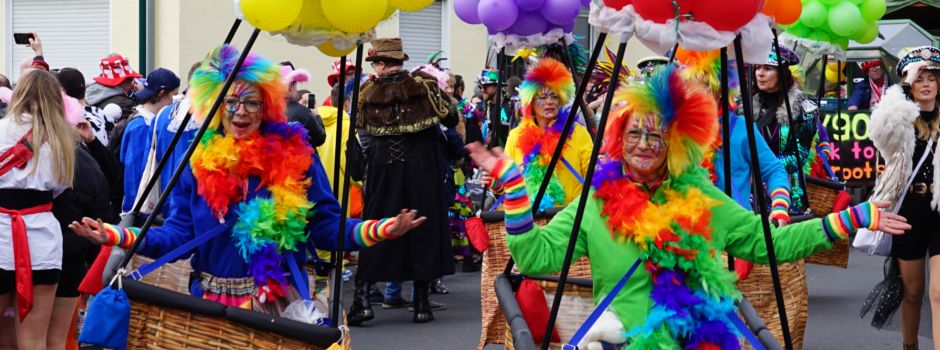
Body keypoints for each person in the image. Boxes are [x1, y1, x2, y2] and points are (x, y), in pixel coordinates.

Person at [466, 66, 910, 349]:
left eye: (655, 136)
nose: (643, 145)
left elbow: (766, 244)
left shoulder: (702, 200)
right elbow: (536, 256)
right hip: (617, 340)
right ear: (619, 139)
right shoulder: (596, 202)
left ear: (673, 146)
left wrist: (850, 218)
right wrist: (516, 195)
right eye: (634, 134)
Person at [70, 45, 425, 318]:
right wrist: (115, 235)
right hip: (212, 307)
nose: (240, 112)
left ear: (267, 106)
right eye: (230, 102)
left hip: (279, 305)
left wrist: (379, 230)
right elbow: (178, 234)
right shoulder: (197, 160)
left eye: (251, 103)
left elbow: (325, 227)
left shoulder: (296, 155)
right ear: (216, 105)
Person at [351, 37, 459, 324]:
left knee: (377, 225)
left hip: (382, 167)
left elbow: (360, 130)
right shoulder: (424, 86)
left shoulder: (366, 91)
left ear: (382, 63)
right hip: (422, 166)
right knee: (422, 225)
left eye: (375, 64)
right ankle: (421, 304)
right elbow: (451, 118)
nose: (374, 70)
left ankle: (362, 301)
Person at [675, 48, 792, 276]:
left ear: (719, 92)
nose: (696, 95)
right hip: (684, 234)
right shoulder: (675, 130)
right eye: (690, 88)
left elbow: (774, 170)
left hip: (732, 235)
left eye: (705, 87)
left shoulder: (740, 128)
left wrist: (779, 206)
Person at [869, 46, 940, 350]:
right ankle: (909, 345)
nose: (925, 83)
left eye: (932, 78)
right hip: (908, 211)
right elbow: (879, 130)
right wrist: (902, 86)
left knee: (938, 292)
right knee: (912, 292)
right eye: (918, 78)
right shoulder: (899, 120)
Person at [0, 70, 76, 349]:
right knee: (34, 339)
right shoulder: (61, 139)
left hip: (1, 234)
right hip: (42, 240)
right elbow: (60, 187)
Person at [46, 121, 113, 350]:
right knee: (59, 338)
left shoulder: (25, 153)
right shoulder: (83, 162)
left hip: (25, 257)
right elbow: (104, 207)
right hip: (69, 260)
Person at [747, 47, 831, 215]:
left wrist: (761, 167)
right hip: (747, 193)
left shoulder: (804, 109)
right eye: (758, 68)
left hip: (786, 191)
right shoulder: (743, 106)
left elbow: (798, 156)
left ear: (782, 74)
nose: (760, 74)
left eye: (768, 68)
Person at [501, 58, 593, 209]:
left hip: (569, 218)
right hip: (530, 218)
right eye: (542, 97)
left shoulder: (578, 133)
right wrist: (495, 183)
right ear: (530, 102)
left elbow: (592, 175)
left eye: (554, 96)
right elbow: (507, 182)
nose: (549, 102)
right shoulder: (515, 136)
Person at [119, 68, 181, 217]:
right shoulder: (141, 127)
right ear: (162, 94)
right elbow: (135, 176)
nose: (175, 101)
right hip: (142, 213)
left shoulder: (154, 122)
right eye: (174, 95)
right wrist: (135, 214)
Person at [281, 62, 326, 147]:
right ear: (291, 86)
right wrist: (317, 116)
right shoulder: (300, 111)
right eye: (296, 84)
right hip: (298, 159)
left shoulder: (269, 109)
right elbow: (320, 138)